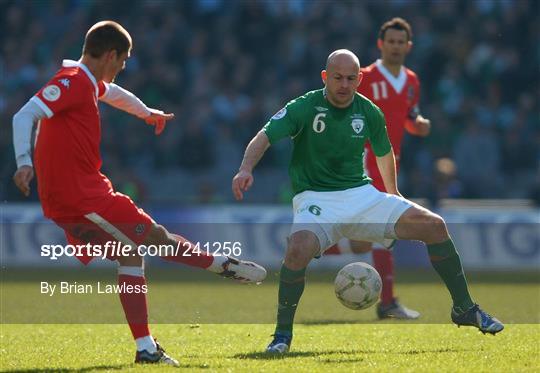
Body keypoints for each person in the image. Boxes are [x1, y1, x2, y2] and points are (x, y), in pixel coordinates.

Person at [12, 20, 266, 367]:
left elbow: (113, 94)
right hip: (83, 197)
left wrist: (146, 113)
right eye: (123, 60)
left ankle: (146, 348)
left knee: (131, 256)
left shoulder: (86, 82)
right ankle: (221, 265)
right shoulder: (71, 82)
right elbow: (24, 115)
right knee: (155, 238)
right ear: (111, 55)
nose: (123, 68)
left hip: (75, 197)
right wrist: (24, 162)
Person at [232, 49, 503, 354]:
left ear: (360, 78)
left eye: (351, 78)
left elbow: (384, 153)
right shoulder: (305, 106)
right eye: (337, 78)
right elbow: (265, 135)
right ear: (325, 77)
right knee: (297, 251)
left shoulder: (369, 111)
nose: (344, 85)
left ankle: (464, 309)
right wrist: (245, 168)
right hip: (315, 198)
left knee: (434, 226)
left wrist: (393, 192)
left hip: (362, 195)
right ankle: (282, 336)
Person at [324, 18, 430, 320]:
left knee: (363, 241)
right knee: (384, 230)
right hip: (362, 160)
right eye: (391, 42)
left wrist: (418, 125)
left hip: (389, 163)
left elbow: (410, 115)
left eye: (401, 42)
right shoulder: (365, 77)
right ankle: (387, 302)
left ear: (408, 47)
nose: (396, 47)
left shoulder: (411, 80)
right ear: (381, 44)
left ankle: (307, 249)